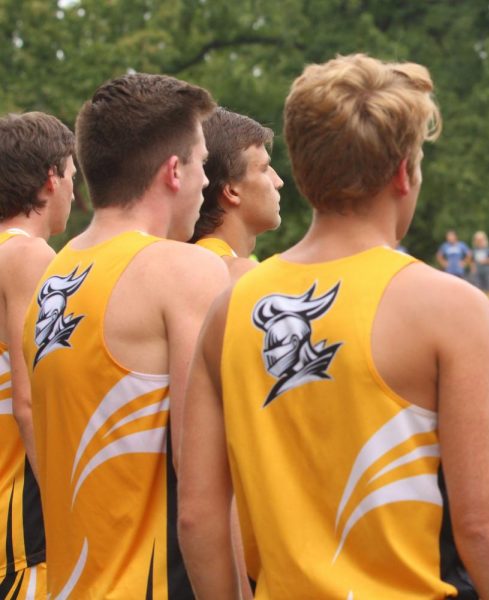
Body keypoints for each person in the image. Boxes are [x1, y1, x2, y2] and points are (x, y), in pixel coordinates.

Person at [178, 54, 489, 599]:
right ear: (403, 172)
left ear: (302, 168)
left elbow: (199, 517)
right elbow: (485, 523)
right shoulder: (448, 305)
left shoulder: (229, 307)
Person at [22, 73, 228, 598]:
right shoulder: (180, 271)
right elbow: (200, 497)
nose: (207, 181)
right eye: (203, 163)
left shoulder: (54, 275)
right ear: (174, 171)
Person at [0, 112, 75, 598]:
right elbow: (30, 400)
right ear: (51, 179)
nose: (74, 191)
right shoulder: (29, 256)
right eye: (72, 176)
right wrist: (68, 508)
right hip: (20, 524)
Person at [190, 107, 285, 282]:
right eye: (264, 169)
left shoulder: (187, 262)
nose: (278, 181)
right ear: (232, 190)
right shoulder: (238, 275)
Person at [471, 230, 489, 294]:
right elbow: (472, 261)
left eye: (480, 239)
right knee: (478, 289)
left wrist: (485, 261)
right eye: (477, 239)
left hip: (487, 272)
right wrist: (473, 267)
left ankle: (488, 303)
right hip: (478, 273)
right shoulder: (474, 250)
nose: (479, 241)